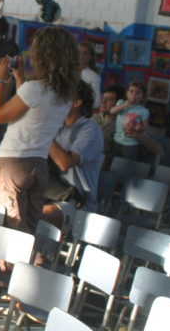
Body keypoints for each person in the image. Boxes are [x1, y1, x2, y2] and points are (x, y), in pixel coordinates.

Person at [0, 26, 78, 232]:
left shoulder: (35, 89)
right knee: (29, 227)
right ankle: (29, 263)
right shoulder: (64, 95)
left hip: (13, 162)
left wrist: (0, 81)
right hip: (38, 164)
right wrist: (21, 78)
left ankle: (6, 265)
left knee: (9, 228)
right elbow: (32, 113)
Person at [42, 80, 104, 229]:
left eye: (62, 97)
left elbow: (65, 162)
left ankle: (42, 252)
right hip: (50, 191)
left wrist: (44, 131)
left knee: (40, 214)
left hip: (78, 202)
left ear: (76, 103)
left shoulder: (90, 131)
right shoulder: (57, 125)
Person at [109, 81, 150, 161]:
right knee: (112, 161)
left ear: (142, 97)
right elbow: (112, 111)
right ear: (127, 93)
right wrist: (124, 105)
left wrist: (140, 128)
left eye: (138, 93)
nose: (133, 94)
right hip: (117, 139)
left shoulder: (143, 110)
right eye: (131, 91)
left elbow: (146, 126)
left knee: (127, 164)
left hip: (131, 143)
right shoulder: (121, 102)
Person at [91, 85, 123, 165]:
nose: (103, 102)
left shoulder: (122, 126)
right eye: (103, 98)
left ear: (119, 104)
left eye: (109, 100)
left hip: (105, 165)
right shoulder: (91, 119)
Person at [78, 41, 102, 109]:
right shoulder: (67, 71)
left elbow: (96, 103)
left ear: (90, 57)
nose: (81, 55)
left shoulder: (94, 77)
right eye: (79, 51)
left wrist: (79, 104)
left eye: (85, 53)